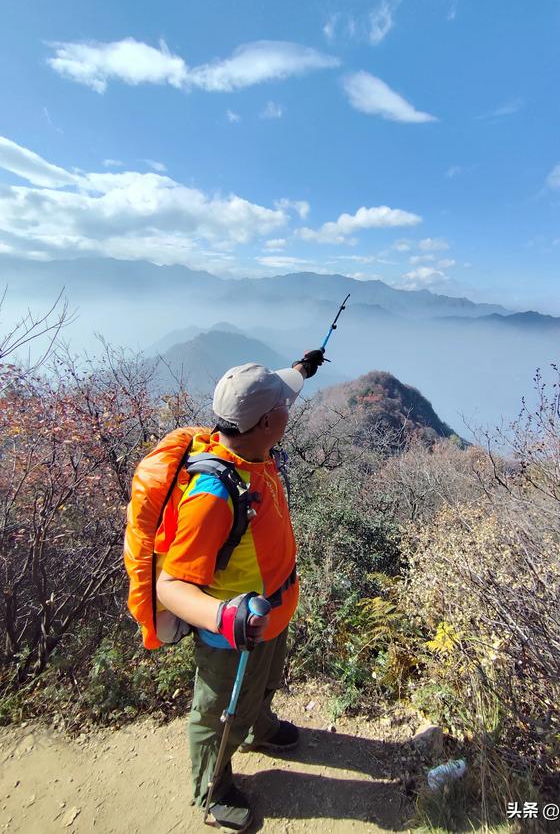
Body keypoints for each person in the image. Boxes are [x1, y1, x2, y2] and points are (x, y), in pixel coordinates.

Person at [156, 348, 325, 832]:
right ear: (268, 423)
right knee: (218, 714)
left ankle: (259, 727)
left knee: (263, 684)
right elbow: (171, 585)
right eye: (283, 407)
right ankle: (212, 790)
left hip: (271, 613)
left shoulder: (251, 444)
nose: (290, 409)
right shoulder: (212, 496)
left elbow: (280, 393)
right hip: (233, 637)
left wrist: (304, 368)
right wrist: (226, 618)